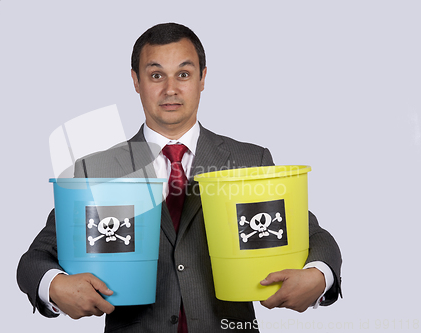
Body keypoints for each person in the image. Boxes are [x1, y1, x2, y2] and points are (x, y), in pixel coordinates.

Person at [17, 23, 342, 333]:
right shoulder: (98, 170)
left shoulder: (249, 161)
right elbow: (37, 258)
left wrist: (320, 276)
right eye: (156, 74)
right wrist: (54, 285)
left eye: (183, 74)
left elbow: (313, 237)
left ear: (202, 78)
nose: (170, 89)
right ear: (135, 80)